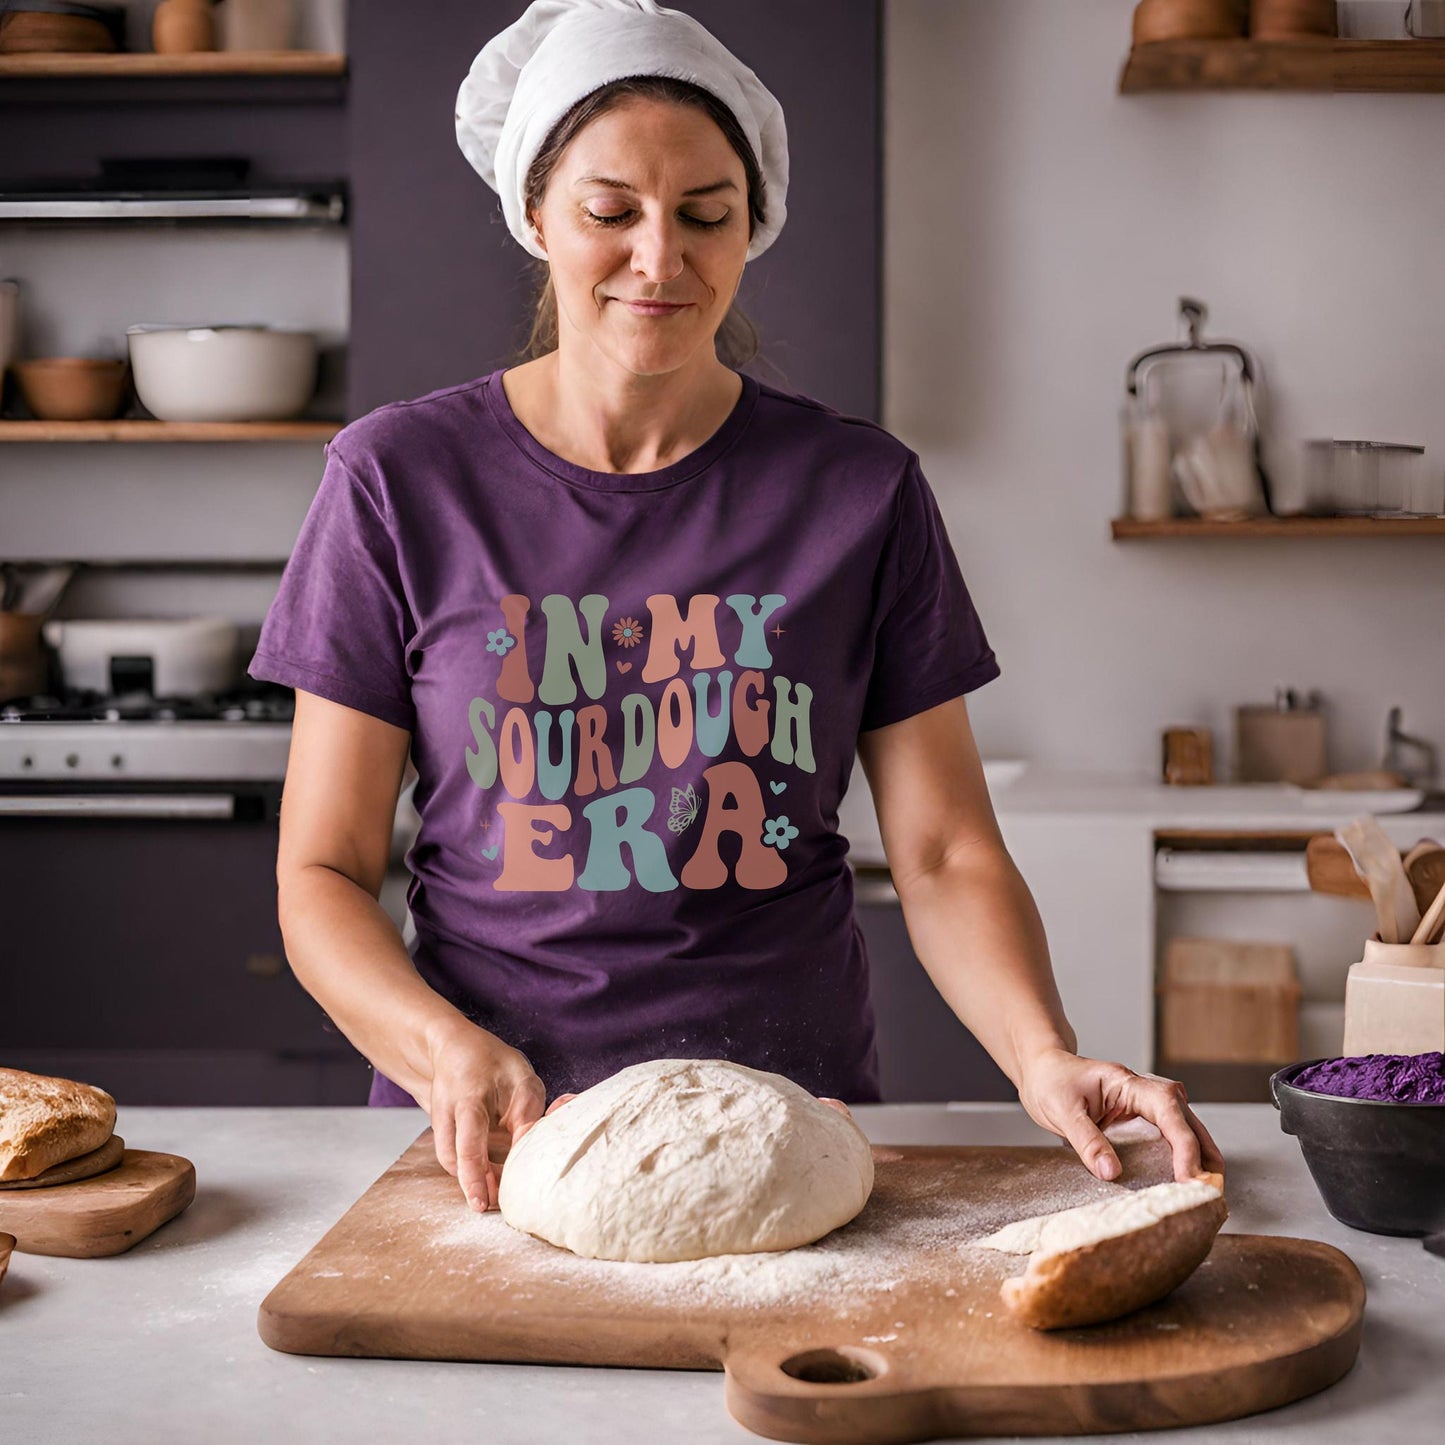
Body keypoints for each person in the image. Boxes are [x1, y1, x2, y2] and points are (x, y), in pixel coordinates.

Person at [248, 0, 1225, 1214]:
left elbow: (940, 849)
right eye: (611, 212)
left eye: (705, 215)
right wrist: (437, 1046)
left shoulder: (857, 490)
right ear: (536, 216)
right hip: (485, 1140)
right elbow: (323, 871)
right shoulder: (397, 480)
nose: (660, 257)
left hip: (783, 1127)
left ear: (750, 225)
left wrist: (1040, 1052)